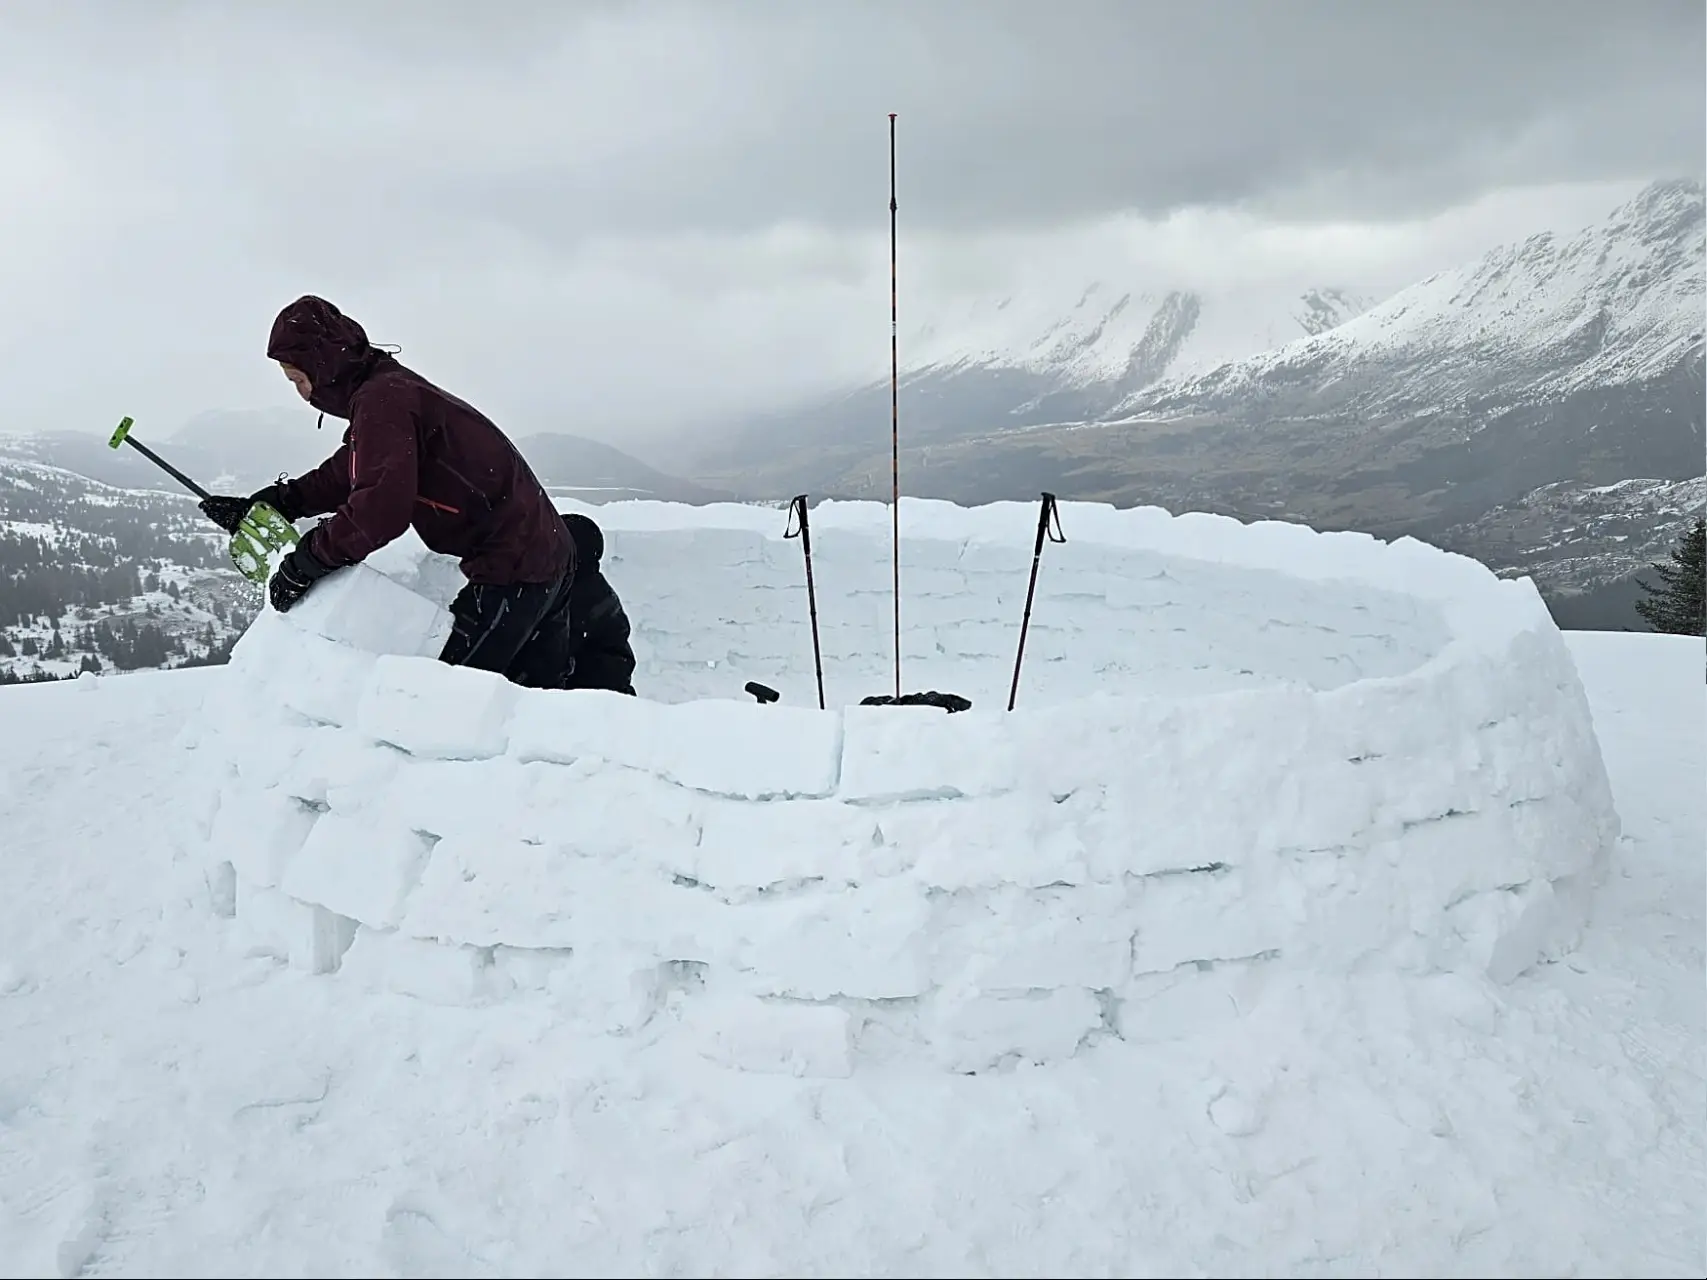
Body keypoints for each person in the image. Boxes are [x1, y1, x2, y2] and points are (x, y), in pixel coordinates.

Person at [198, 295, 577, 688]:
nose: (300, 392)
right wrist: (281, 501)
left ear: (321, 366)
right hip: (543, 552)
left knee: (451, 700)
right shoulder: (387, 389)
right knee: (532, 707)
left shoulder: (383, 401)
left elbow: (378, 511)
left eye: (297, 379)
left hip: (516, 566)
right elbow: (353, 469)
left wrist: (306, 561)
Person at [560, 512, 637, 696]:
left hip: (602, 700)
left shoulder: (584, 596)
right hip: (604, 693)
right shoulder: (585, 585)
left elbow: (557, 651)